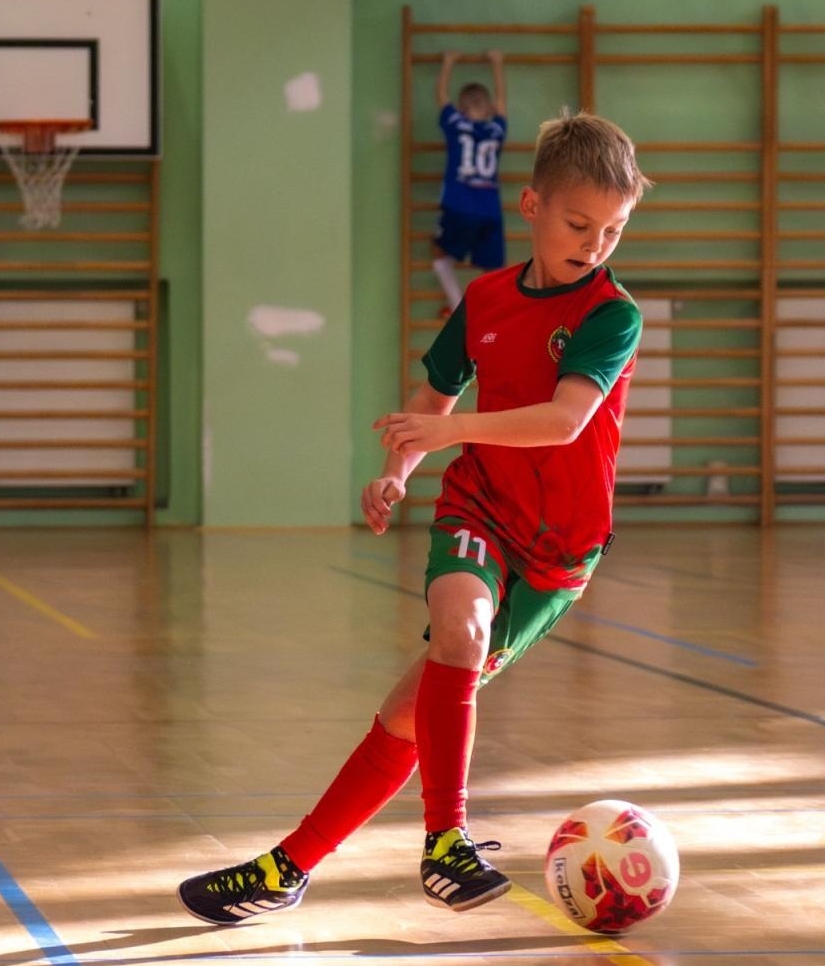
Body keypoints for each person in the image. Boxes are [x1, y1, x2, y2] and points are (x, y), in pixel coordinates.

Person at [179, 111, 652, 923]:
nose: (595, 244)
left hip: (559, 556)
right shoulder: (486, 300)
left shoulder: (613, 315)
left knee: (410, 713)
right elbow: (430, 402)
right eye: (580, 224)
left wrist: (448, 429)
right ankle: (446, 843)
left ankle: (285, 869)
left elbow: (564, 419)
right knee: (461, 633)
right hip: (479, 505)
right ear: (532, 205)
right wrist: (398, 471)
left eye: (613, 229)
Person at [431, 49, 508, 316]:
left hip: (459, 205)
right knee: (492, 269)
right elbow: (501, 103)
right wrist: (497, 63)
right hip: (489, 209)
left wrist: (448, 61)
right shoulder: (496, 129)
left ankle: (457, 307)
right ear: (487, 109)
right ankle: (490, 314)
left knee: (440, 256)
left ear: (462, 109)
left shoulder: (456, 124)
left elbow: (441, 97)